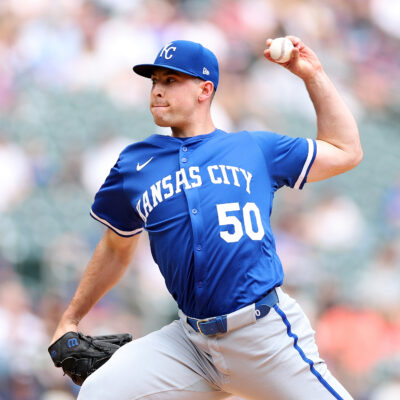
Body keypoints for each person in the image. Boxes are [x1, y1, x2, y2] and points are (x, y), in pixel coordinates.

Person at [50, 37, 362, 400]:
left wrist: (314, 75)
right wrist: (69, 318)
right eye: (154, 81)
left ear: (204, 89)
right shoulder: (135, 164)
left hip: (263, 336)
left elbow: (346, 150)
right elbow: (116, 248)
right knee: (99, 392)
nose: (157, 91)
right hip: (190, 345)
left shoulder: (253, 148)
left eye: (171, 81)